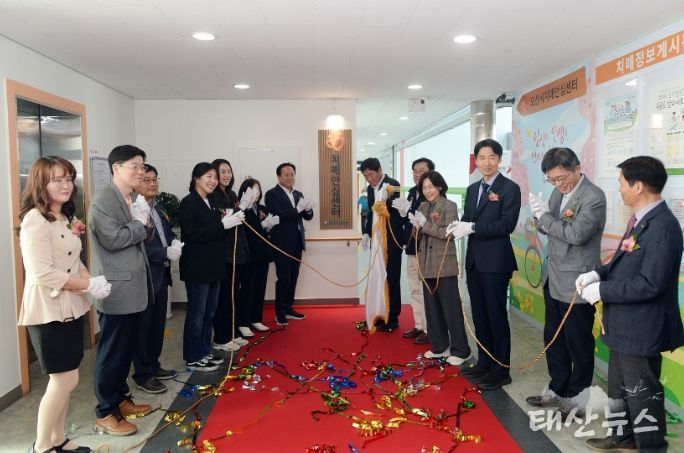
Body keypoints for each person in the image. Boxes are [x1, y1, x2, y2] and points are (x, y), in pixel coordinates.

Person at [579, 156, 684, 453]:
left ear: (639, 186)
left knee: (642, 392)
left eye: (622, 183)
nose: (619, 189)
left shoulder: (663, 226)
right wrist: (597, 274)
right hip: (623, 324)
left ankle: (651, 446)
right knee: (618, 387)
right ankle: (622, 436)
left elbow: (650, 283)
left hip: (642, 326)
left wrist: (602, 289)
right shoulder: (640, 220)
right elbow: (623, 265)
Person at [18, 157, 111, 453]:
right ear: (40, 184)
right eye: (57, 180)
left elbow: (73, 261)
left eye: (68, 178)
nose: (66, 185)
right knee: (63, 379)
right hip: (48, 310)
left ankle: (59, 439)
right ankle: (42, 446)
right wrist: (87, 285)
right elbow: (42, 273)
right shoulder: (34, 220)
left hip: (71, 307)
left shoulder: (63, 217)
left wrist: (92, 280)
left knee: (68, 378)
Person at [526, 148, 606, 415]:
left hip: (577, 283)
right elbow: (548, 229)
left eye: (561, 178)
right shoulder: (557, 193)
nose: (558, 184)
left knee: (578, 343)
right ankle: (557, 388)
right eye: (552, 179)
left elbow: (576, 234)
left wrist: (546, 218)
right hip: (553, 277)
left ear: (577, 168)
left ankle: (577, 398)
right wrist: (539, 218)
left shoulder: (593, 197)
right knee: (554, 338)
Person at [89, 145, 154, 435]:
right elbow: (113, 239)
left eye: (143, 166)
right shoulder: (104, 199)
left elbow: (143, 236)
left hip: (134, 285)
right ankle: (106, 411)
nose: (141, 172)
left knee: (126, 348)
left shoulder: (131, 197)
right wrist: (139, 223)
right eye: (135, 166)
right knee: (112, 351)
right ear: (116, 168)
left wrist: (145, 222)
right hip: (116, 287)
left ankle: (120, 398)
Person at [447, 138, 521, 390]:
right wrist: (458, 226)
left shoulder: (509, 188)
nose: (487, 163)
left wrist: (473, 227)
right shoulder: (472, 189)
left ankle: (501, 371)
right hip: (474, 262)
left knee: (496, 316)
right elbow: (469, 219)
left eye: (491, 157)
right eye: (482, 158)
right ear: (476, 161)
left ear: (499, 159)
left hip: (496, 262)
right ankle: (485, 362)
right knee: (479, 314)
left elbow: (506, 225)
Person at [179, 162, 243, 371]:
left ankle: (205, 351)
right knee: (197, 314)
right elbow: (191, 233)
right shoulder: (189, 202)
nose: (213, 181)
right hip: (197, 267)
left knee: (209, 313)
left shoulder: (212, 201)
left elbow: (217, 231)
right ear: (196, 178)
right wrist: (222, 225)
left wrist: (229, 220)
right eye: (208, 176)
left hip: (215, 266)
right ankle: (193, 356)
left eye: (215, 177)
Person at [131, 164, 181, 395]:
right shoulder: (133, 209)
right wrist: (163, 252)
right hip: (145, 275)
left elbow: (165, 232)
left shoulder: (157, 207)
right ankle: (143, 374)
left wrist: (173, 242)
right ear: (136, 183)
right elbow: (137, 246)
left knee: (157, 325)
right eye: (147, 180)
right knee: (143, 327)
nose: (153, 184)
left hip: (161, 273)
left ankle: (153, 365)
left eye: (155, 179)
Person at [411, 171, 471, 365]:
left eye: (431, 187)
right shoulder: (422, 206)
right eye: (424, 188)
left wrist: (425, 225)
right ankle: (439, 346)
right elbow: (417, 235)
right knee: (432, 309)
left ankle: (461, 350)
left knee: (451, 308)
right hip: (426, 263)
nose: (427, 191)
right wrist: (413, 223)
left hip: (444, 264)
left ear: (439, 186)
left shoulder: (449, 205)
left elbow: (449, 234)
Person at [265, 162, 314, 326]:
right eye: (286, 174)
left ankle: (288, 308)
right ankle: (279, 312)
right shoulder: (272, 194)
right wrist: (297, 210)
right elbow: (277, 215)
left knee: (293, 277)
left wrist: (307, 209)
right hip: (282, 243)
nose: (290, 177)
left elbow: (307, 216)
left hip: (297, 241)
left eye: (292, 174)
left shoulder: (298, 193)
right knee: (284, 278)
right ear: (278, 176)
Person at [393, 157, 434, 344]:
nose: (418, 174)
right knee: (414, 289)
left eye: (422, 171)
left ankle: (429, 329)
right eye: (415, 171)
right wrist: (403, 213)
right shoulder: (411, 192)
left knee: (425, 290)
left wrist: (410, 212)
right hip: (411, 247)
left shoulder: (432, 193)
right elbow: (405, 221)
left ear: (431, 172)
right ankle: (419, 325)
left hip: (426, 248)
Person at [211, 158, 251, 351]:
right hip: (223, 254)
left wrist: (243, 207)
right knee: (224, 297)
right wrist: (238, 209)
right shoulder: (214, 196)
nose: (227, 175)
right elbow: (222, 221)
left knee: (234, 294)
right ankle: (222, 337)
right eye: (223, 171)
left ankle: (233, 332)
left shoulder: (232, 194)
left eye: (229, 171)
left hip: (237, 252)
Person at [360, 157, 404, 331]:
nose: (369, 179)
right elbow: (371, 213)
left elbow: (396, 210)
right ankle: (378, 313)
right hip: (377, 240)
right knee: (377, 276)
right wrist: (366, 232)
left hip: (392, 239)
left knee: (391, 278)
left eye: (371, 174)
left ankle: (392, 318)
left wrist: (386, 203)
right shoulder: (371, 190)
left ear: (379, 170)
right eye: (365, 176)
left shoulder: (393, 184)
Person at [237, 178, 278, 332]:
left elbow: (265, 232)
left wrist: (268, 226)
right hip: (248, 255)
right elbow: (245, 230)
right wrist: (261, 225)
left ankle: (256, 319)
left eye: (258, 189)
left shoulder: (262, 208)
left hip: (263, 254)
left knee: (260, 287)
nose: (257, 193)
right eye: (253, 189)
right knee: (247, 288)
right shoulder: (241, 209)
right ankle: (243, 323)